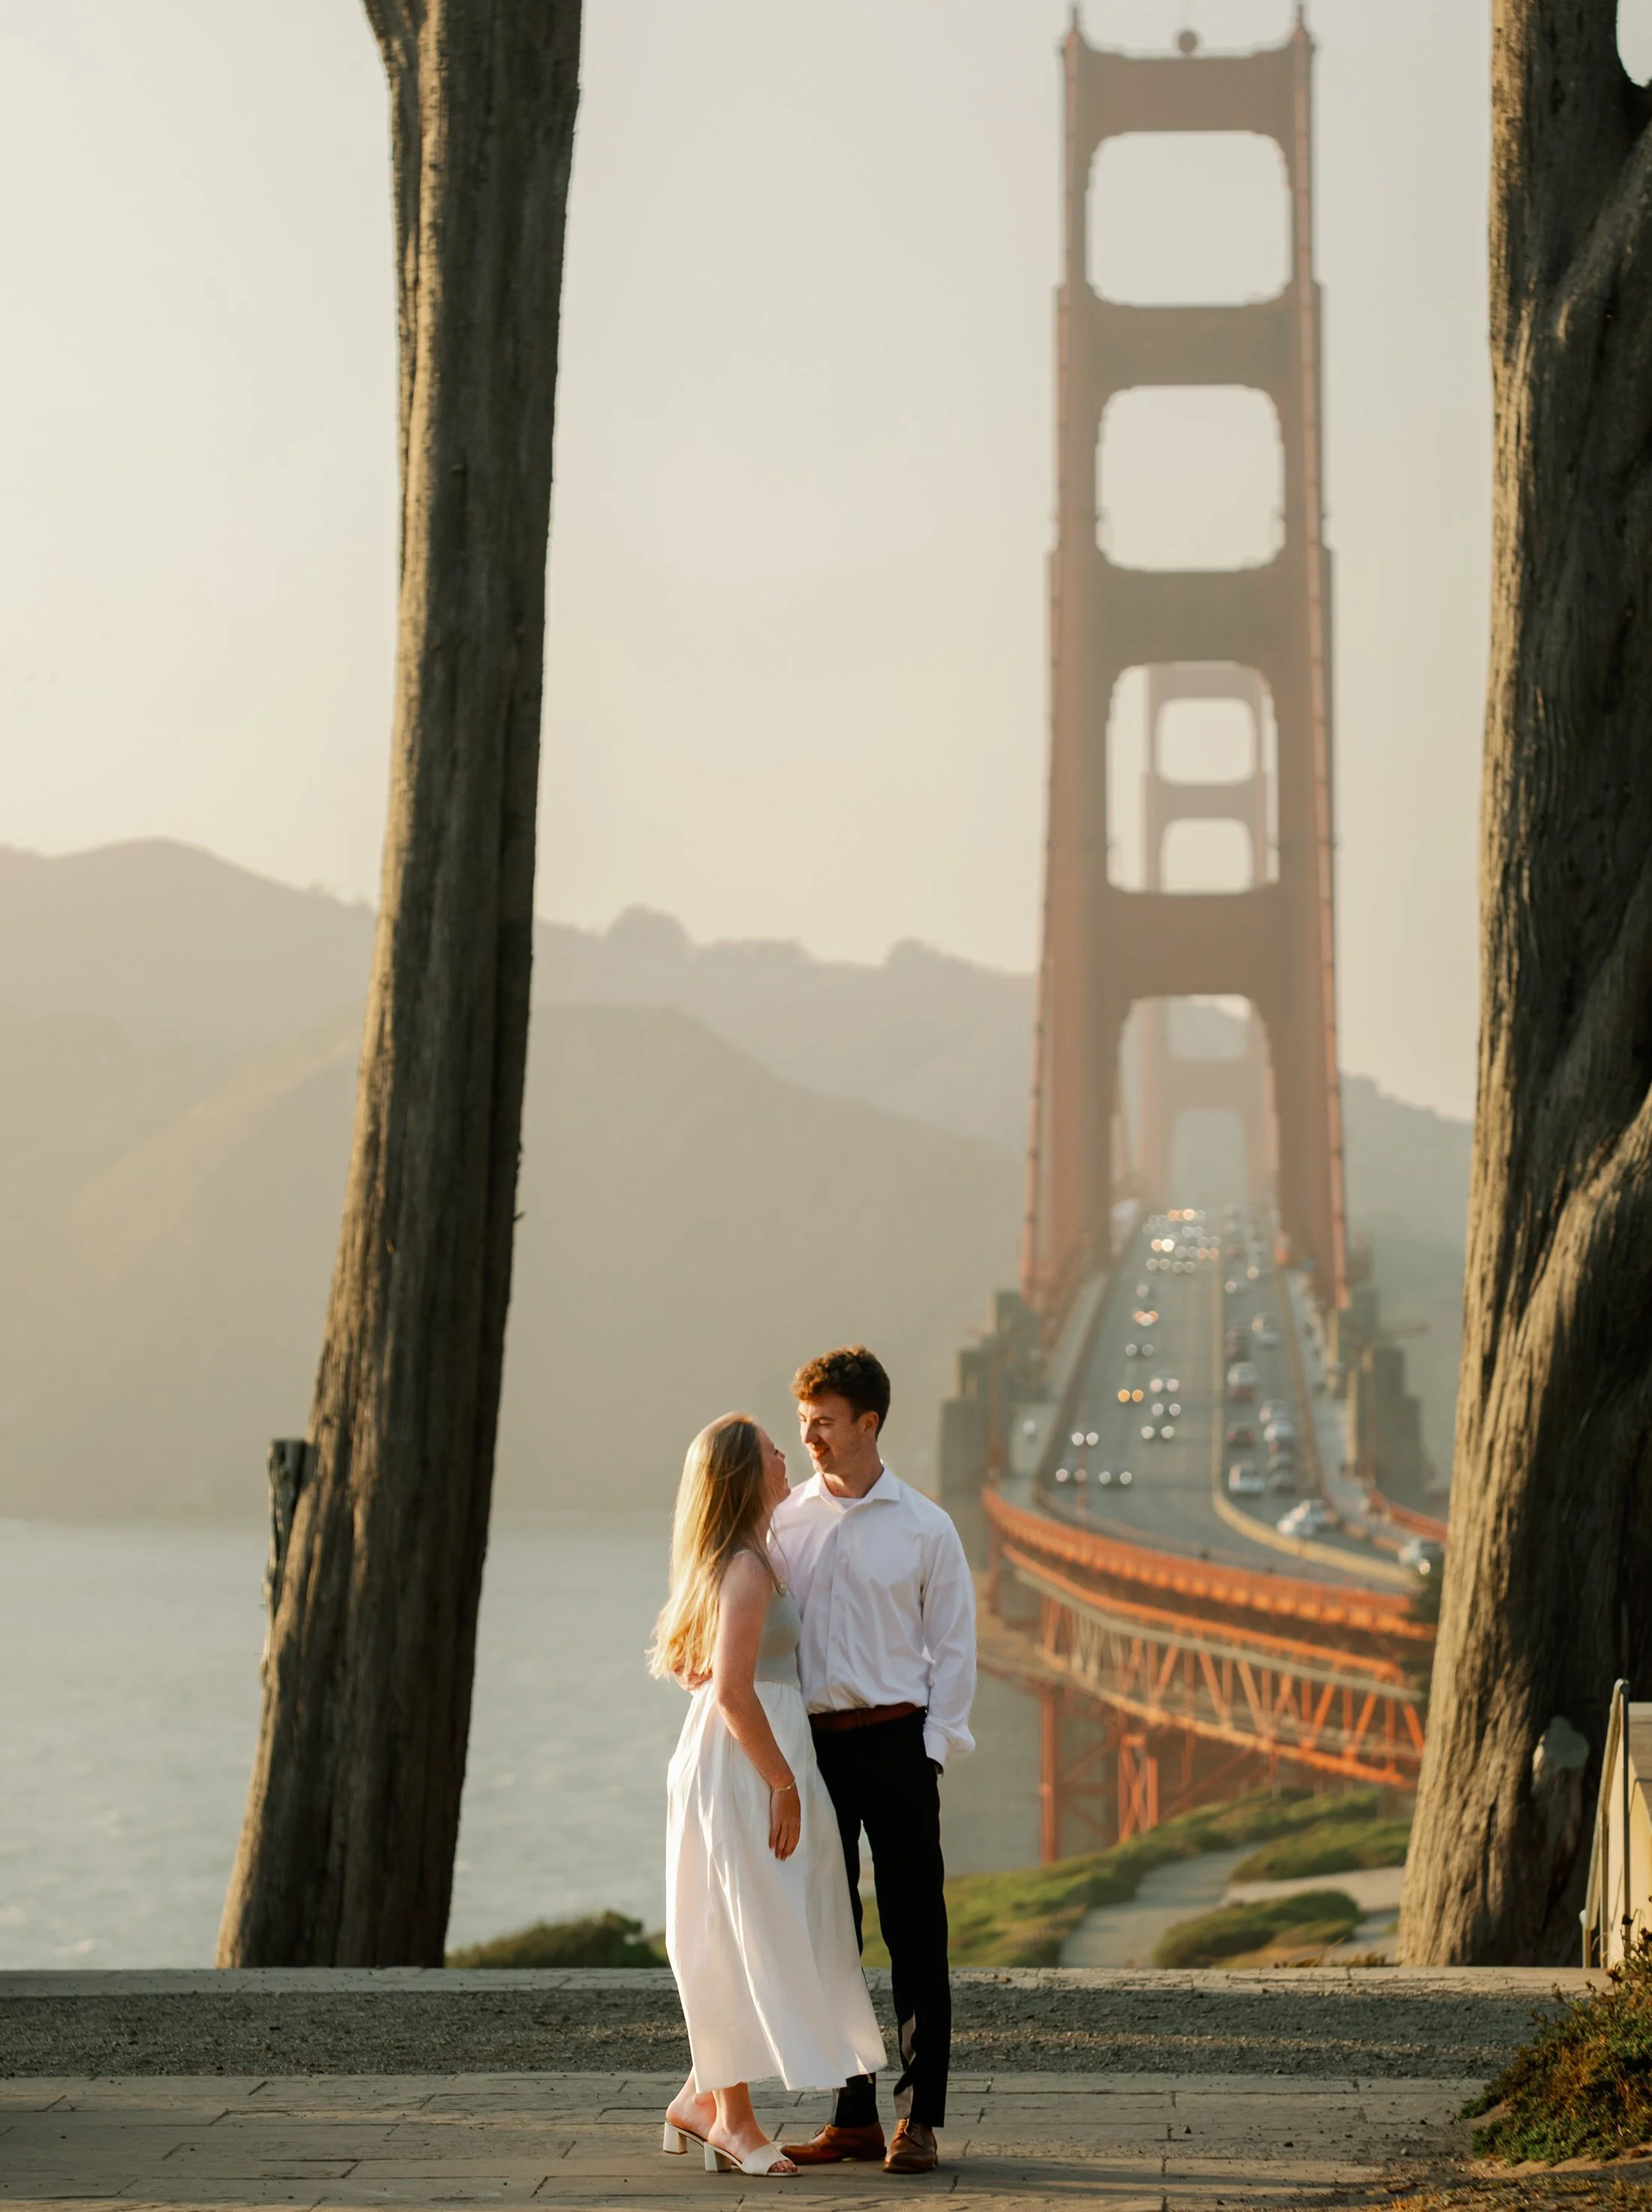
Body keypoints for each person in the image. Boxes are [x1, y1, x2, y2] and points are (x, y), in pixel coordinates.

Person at [650, 1411, 884, 2178]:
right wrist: (781, 1780)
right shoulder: (746, 1565)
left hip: (751, 1754)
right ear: (745, 1476)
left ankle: (699, 2095)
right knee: (741, 1927)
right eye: (772, 1452)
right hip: (750, 1760)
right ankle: (735, 2122)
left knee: (767, 1921)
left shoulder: (748, 1556)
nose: (789, 1456)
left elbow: (708, 1672)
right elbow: (731, 1689)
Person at [770, 1345, 977, 2177]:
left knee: (915, 1932)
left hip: (898, 1741)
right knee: (827, 1931)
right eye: (804, 1421)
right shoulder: (785, 1520)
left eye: (824, 1420)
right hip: (814, 1746)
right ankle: (850, 2112)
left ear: (869, 1422)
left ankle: (918, 2119)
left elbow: (954, 1647)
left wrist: (931, 1750)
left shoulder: (926, 1525)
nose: (811, 1435)